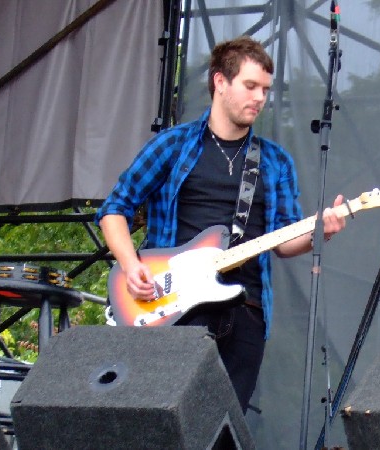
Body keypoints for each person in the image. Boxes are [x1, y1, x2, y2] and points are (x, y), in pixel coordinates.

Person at [95, 36, 346, 414]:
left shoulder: (276, 162)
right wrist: (132, 269)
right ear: (220, 82)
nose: (260, 98)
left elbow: (284, 241)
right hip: (173, 307)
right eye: (250, 86)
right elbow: (115, 208)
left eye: (265, 89)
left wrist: (320, 232)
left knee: (222, 428)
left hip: (246, 312)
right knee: (163, 421)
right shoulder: (173, 146)